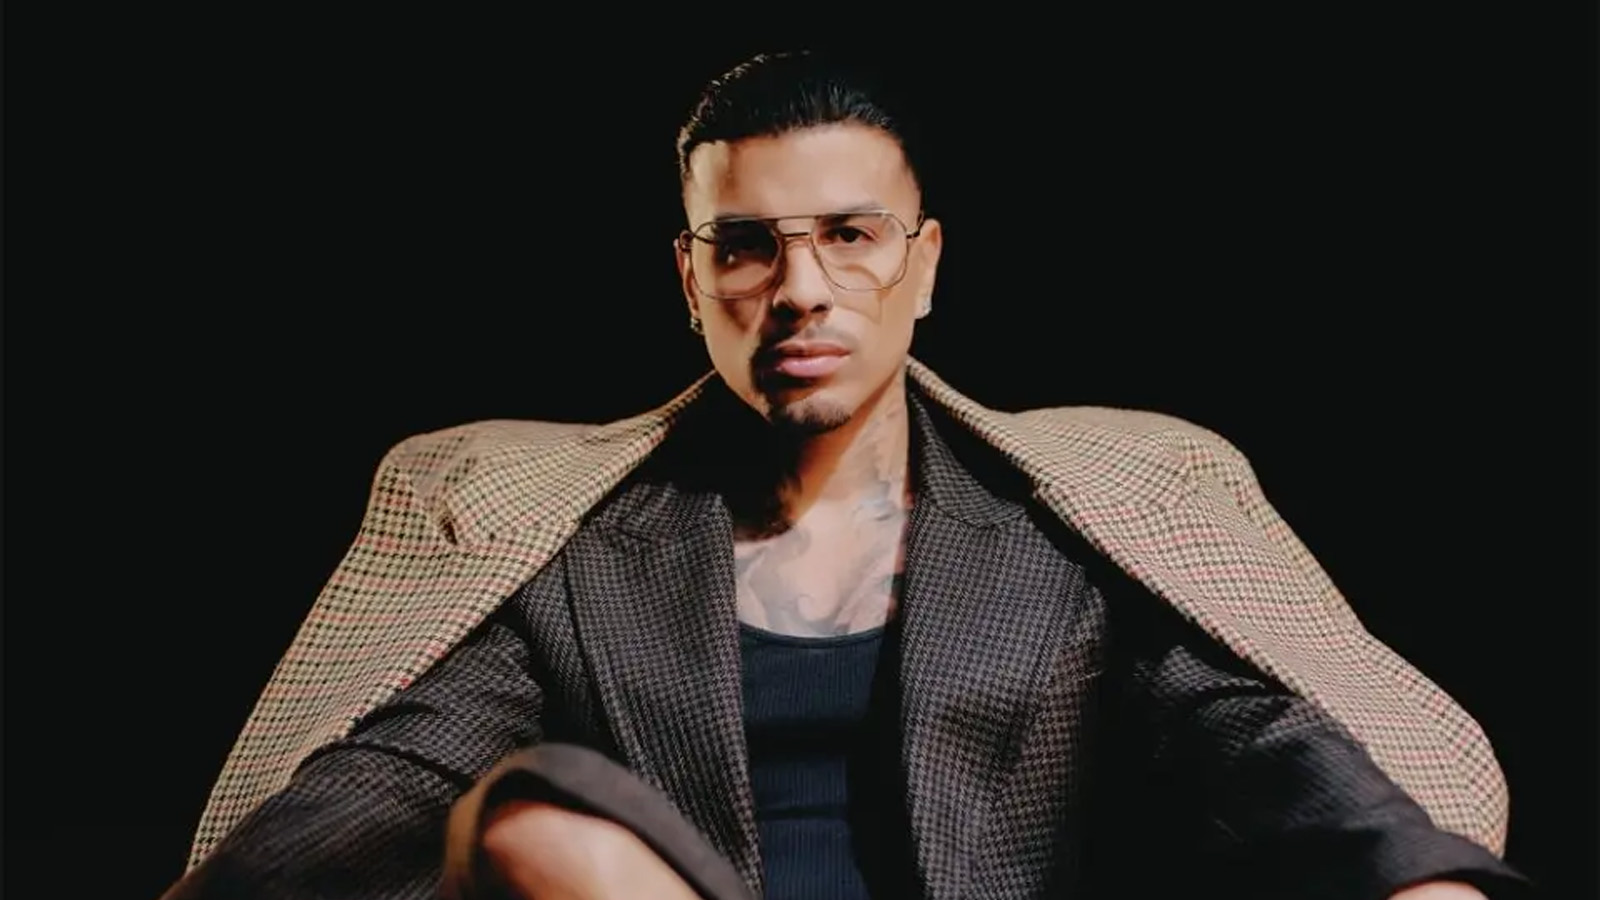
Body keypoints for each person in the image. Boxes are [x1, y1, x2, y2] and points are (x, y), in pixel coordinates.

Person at [162, 51, 1530, 899]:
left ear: (923, 266)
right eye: (749, 245)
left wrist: (1417, 879)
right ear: (692, 278)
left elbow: (1250, 731)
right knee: (537, 821)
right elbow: (392, 775)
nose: (801, 288)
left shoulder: (1062, 530)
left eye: (849, 236)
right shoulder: (576, 551)